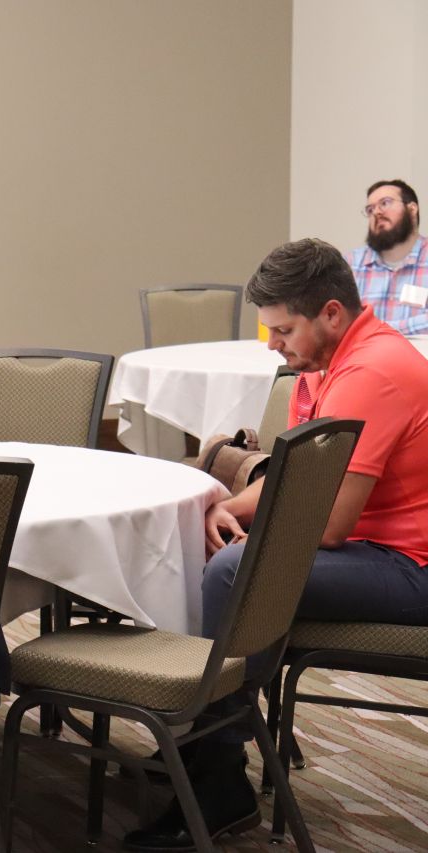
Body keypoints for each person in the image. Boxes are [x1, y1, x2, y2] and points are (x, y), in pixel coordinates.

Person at [125, 238, 428, 852]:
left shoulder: (372, 372)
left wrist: (241, 525)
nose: (271, 345)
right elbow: (292, 481)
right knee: (215, 543)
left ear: (332, 314)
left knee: (238, 569)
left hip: (408, 566)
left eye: (283, 330)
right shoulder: (327, 363)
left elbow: (327, 523)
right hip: (368, 549)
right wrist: (226, 507)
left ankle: (216, 771)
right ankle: (202, 738)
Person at [348, 179, 428, 335]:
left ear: (412, 209)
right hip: (364, 351)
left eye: (385, 203)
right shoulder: (350, 265)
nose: (376, 212)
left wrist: (379, 331)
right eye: (370, 209)